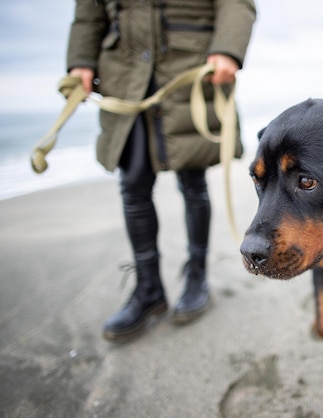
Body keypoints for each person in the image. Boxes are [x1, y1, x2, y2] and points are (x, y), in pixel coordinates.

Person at [66, 0, 256, 340]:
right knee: (133, 183)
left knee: (193, 179)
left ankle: (196, 274)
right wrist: (80, 61)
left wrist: (228, 48)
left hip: (191, 61)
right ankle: (148, 287)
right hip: (124, 71)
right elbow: (89, 12)